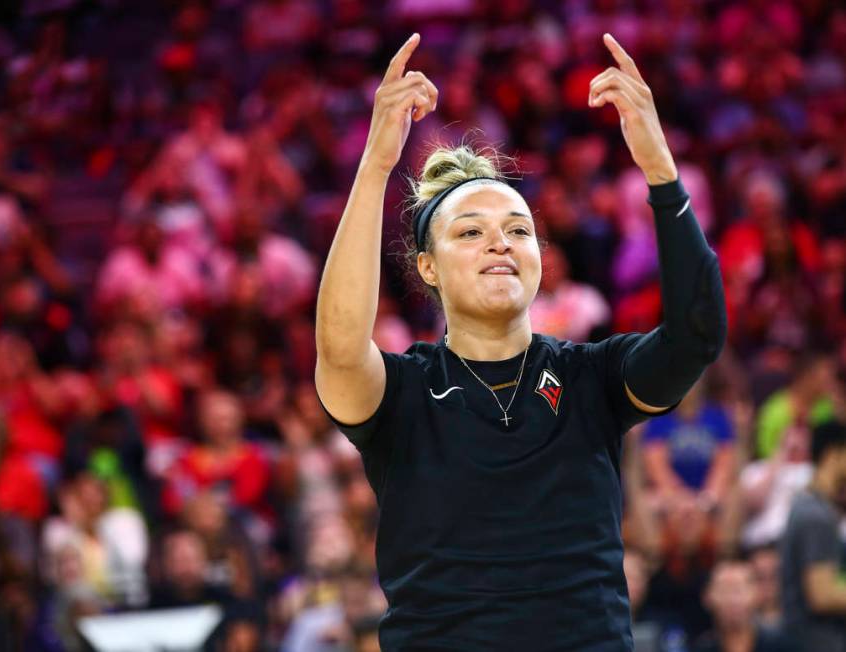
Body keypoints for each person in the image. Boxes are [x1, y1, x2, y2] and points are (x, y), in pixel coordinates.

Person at [314, 32, 726, 651]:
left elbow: (696, 336)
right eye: (471, 232)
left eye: (518, 229)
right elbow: (341, 349)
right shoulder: (401, 393)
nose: (500, 243)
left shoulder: (594, 378)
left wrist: (661, 172)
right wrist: (375, 166)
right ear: (427, 266)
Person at [780, 419, 846, 651]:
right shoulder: (815, 515)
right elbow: (822, 595)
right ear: (834, 455)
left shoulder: (812, 506)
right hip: (815, 642)